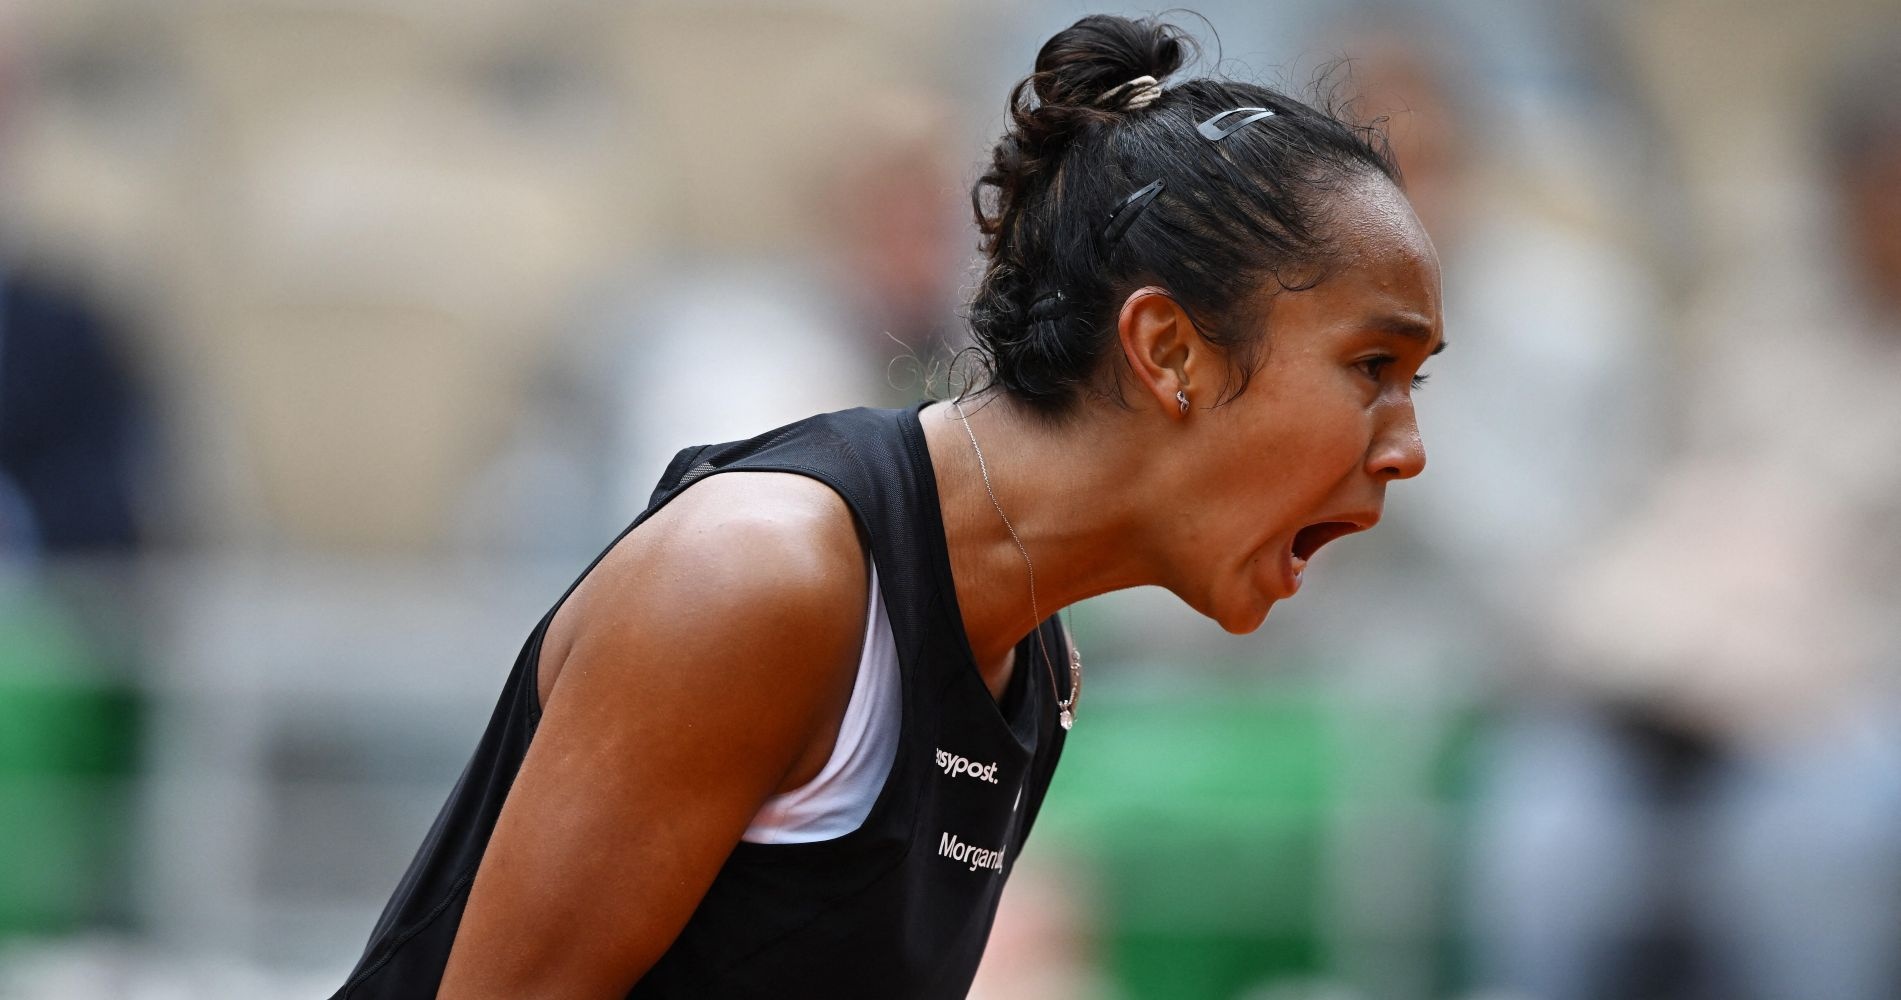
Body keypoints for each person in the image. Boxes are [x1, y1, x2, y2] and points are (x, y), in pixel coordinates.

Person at [329, 12, 1443, 999]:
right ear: (1166, 349)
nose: (1405, 451)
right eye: (1369, 367)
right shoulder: (757, 579)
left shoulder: (1037, 669)